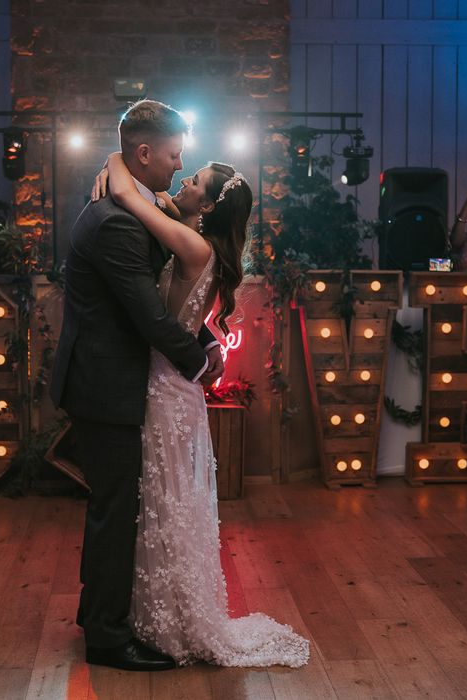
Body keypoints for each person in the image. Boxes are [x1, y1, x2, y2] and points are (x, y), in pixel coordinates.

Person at [93, 153, 310, 668]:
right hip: (174, 387)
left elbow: (127, 195)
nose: (182, 180)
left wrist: (115, 155)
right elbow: (161, 201)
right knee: (166, 502)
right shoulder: (198, 237)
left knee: (162, 502)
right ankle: (163, 611)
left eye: (193, 181)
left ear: (209, 204)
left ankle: (164, 619)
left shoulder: (190, 243)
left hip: (163, 389)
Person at [50, 100, 225, 672]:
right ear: (144, 154)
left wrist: (116, 166)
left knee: (116, 509)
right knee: (115, 512)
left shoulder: (121, 203)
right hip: (106, 387)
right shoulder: (119, 222)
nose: (180, 166)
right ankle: (105, 638)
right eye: (175, 156)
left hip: (107, 381)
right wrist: (203, 364)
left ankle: (99, 617)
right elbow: (150, 320)